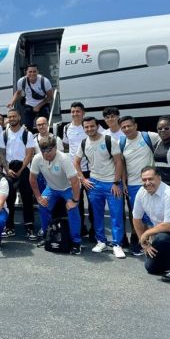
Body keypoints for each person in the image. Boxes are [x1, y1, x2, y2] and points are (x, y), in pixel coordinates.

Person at [74, 116, 126, 258]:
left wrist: (116, 183)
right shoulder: (84, 143)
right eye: (86, 127)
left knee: (116, 215)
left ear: (97, 126)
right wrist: (83, 179)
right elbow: (76, 162)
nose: (89, 129)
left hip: (112, 184)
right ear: (84, 129)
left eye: (92, 126)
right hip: (94, 184)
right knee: (97, 215)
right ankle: (101, 241)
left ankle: (117, 244)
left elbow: (119, 162)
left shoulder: (109, 140)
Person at [29, 135, 82, 254]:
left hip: (68, 188)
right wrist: (38, 197)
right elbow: (32, 179)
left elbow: (75, 181)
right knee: (42, 206)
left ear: (55, 148)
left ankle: (76, 242)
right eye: (43, 151)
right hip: (52, 188)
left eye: (49, 150)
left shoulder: (63, 158)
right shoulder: (37, 158)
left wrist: (75, 200)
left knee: (72, 210)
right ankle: (47, 235)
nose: (46, 154)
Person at [118, 116, 161, 256]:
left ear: (135, 125)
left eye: (129, 126)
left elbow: (168, 138)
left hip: (150, 183)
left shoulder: (149, 136)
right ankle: (142, 243)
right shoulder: (121, 142)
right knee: (137, 216)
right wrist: (124, 182)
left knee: (153, 214)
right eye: (123, 127)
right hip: (132, 185)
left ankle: (156, 243)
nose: (126, 129)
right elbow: (122, 165)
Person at [58, 102, 101, 242]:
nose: (75, 113)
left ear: (83, 112)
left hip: (89, 171)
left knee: (93, 202)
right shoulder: (66, 128)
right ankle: (80, 229)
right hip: (73, 172)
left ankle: (94, 231)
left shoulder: (89, 126)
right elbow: (66, 145)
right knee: (77, 202)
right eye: (73, 111)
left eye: (78, 111)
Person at [0, 109, 37, 239]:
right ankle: (9, 227)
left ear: (19, 117)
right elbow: (1, 153)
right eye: (9, 117)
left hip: (24, 169)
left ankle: (29, 227)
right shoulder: (4, 134)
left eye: (14, 116)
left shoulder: (27, 134)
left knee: (27, 199)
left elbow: (29, 154)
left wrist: (20, 170)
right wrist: (6, 169)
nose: (12, 118)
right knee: (8, 200)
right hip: (8, 170)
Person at [7, 63, 54, 130]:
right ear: (26, 72)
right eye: (30, 72)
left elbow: (50, 97)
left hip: (43, 104)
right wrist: (12, 102)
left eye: (34, 71)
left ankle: (43, 138)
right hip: (29, 105)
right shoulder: (21, 81)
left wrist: (39, 106)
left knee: (43, 125)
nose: (32, 74)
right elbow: (18, 93)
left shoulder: (45, 81)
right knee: (27, 126)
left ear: (38, 72)